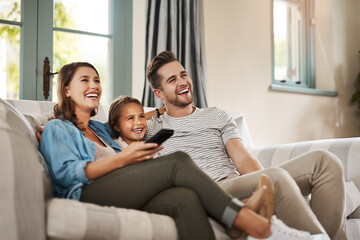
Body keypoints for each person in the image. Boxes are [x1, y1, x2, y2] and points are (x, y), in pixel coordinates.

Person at [39, 62, 314, 240]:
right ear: (66, 89)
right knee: (177, 162)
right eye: (84, 80)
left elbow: (128, 121)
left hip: (117, 188)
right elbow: (67, 176)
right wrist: (123, 158)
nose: (94, 86)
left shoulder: (101, 131)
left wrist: (162, 109)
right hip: (87, 192)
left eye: (97, 80)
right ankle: (251, 222)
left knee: (184, 197)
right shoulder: (57, 129)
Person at [144, 51, 346, 240]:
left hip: (233, 182)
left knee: (325, 162)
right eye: (172, 80)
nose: (182, 82)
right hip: (209, 192)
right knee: (274, 179)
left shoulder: (217, 115)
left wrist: (263, 184)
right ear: (159, 93)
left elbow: (241, 157)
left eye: (183, 74)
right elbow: (114, 126)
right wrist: (159, 112)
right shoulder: (150, 128)